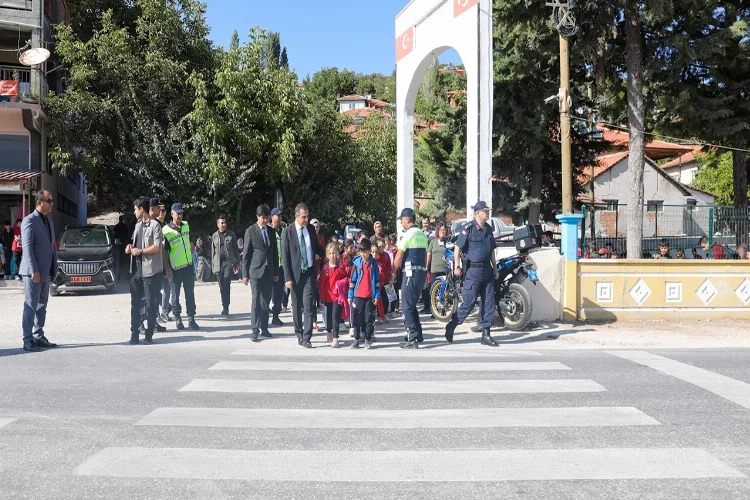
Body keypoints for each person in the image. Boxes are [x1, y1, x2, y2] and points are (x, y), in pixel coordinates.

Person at [444, 201, 501, 347]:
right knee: (468, 303)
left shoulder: (488, 229)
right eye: (485, 211)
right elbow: (457, 248)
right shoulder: (468, 228)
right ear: (477, 213)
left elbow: (492, 251)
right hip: (473, 272)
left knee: (489, 302)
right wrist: (457, 266)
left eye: (488, 211)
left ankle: (486, 334)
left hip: (487, 270)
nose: (488, 213)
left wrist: (495, 268)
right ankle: (452, 324)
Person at [19, 191, 58, 352]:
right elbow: (27, 248)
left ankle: (38, 335)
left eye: (52, 201)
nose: (52, 203)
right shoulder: (29, 221)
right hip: (32, 273)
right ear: (40, 202)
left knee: (42, 306)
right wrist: (33, 270)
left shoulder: (48, 220)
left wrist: (54, 268)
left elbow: (52, 246)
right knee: (30, 306)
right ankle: (27, 340)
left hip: (46, 271)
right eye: (49, 201)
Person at [282, 203, 325, 348]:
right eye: (304, 217)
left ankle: (307, 337)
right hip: (294, 275)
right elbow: (285, 256)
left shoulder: (311, 230)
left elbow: (317, 248)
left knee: (309, 305)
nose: (306, 219)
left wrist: (329, 255)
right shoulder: (288, 231)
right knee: (296, 306)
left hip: (309, 273)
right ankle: (299, 332)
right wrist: (287, 278)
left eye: (307, 216)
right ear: (297, 216)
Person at [125, 197, 166, 345]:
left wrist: (140, 251)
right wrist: (129, 247)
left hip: (150, 271)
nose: (134, 212)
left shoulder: (155, 226)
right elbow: (133, 243)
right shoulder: (137, 226)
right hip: (136, 271)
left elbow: (156, 247)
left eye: (135, 209)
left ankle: (149, 335)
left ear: (141, 209)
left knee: (151, 304)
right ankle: (134, 334)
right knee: (135, 304)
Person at [391, 208, 429, 349]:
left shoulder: (407, 235)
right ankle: (418, 334)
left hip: (410, 273)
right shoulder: (422, 234)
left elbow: (399, 256)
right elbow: (424, 255)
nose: (401, 222)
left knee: (406, 306)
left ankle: (412, 337)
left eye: (402, 219)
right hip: (420, 273)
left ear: (407, 219)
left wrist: (393, 273)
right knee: (412, 305)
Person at [242, 204, 278, 341]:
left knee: (265, 301)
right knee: (256, 300)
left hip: (269, 272)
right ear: (257, 216)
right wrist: (244, 274)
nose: (265, 220)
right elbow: (246, 254)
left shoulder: (271, 231)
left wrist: (275, 272)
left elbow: (274, 253)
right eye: (263, 217)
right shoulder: (250, 231)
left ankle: (264, 327)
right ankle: (255, 329)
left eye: (267, 217)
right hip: (255, 271)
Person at [162, 203, 200, 331]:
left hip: (188, 266)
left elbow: (190, 242)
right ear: (171, 214)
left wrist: (193, 252)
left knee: (190, 294)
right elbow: (165, 252)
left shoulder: (186, 225)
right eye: (177, 213)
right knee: (175, 294)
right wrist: (167, 268)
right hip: (175, 268)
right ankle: (178, 318)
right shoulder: (166, 231)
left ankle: (191, 319)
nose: (180, 215)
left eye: (181, 213)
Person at [348, 238, 380, 349]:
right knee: (357, 317)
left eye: (365, 251)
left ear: (369, 251)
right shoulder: (356, 263)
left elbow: (377, 281)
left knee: (369, 318)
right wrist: (350, 295)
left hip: (369, 296)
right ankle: (356, 339)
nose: (363, 254)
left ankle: (367, 338)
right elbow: (352, 280)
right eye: (361, 252)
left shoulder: (374, 264)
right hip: (358, 295)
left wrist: (377, 295)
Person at [212, 215, 241, 316]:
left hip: (228, 263)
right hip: (218, 263)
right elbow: (213, 252)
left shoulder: (231, 234)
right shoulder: (214, 236)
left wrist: (237, 263)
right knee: (221, 287)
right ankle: (223, 304)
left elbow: (236, 250)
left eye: (225, 223)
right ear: (218, 225)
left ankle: (226, 307)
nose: (223, 224)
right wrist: (213, 267)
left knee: (226, 283)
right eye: (221, 223)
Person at [319, 242, 346, 347]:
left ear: (337, 254)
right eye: (330, 253)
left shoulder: (340, 267)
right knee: (328, 316)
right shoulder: (325, 268)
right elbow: (321, 284)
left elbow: (345, 279)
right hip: (327, 296)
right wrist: (321, 298)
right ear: (327, 255)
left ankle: (335, 337)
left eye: (334, 253)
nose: (332, 256)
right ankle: (329, 331)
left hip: (337, 296)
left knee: (336, 316)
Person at [269, 207, 287, 324]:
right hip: (270, 266)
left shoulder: (285, 230)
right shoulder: (268, 230)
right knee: (269, 292)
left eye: (281, 216)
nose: (280, 218)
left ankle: (276, 315)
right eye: (277, 215)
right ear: (272, 217)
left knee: (279, 291)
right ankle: (264, 316)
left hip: (282, 266)